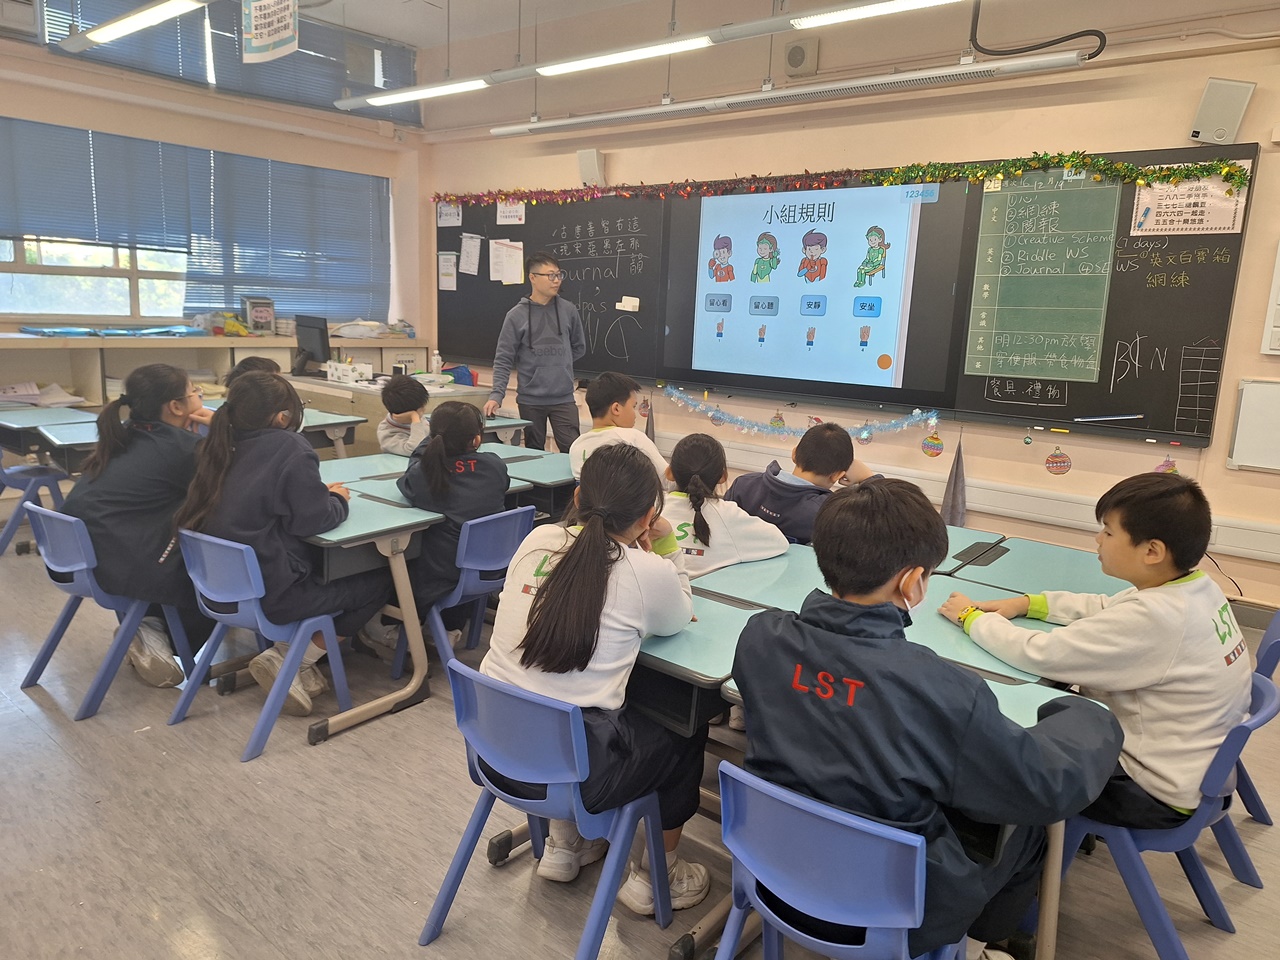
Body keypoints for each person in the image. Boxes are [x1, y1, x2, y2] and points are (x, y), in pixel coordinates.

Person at [735, 479, 1123, 959]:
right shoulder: (940, 688)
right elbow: (1047, 785)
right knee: (1027, 834)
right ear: (912, 581)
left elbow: (832, 699)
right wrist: (1086, 713)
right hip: (896, 910)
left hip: (771, 868)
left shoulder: (760, 637)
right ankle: (979, 945)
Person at [940, 473, 1253, 829]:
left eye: (1108, 532)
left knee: (1003, 755)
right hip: (1194, 768)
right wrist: (1028, 603)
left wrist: (971, 618)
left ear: (1152, 551)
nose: (1098, 539)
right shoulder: (1195, 588)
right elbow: (1107, 606)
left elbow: (1041, 653)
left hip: (1148, 788)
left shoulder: (1156, 617)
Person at [480, 444, 709, 913]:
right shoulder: (645, 570)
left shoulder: (536, 539)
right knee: (686, 732)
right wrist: (665, 548)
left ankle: (564, 845)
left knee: (558, 698)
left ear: (578, 496)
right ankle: (656, 877)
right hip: (582, 778)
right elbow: (681, 615)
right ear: (648, 517)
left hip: (494, 749)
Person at [173, 372, 392, 717]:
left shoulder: (217, 443)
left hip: (217, 592)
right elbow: (313, 521)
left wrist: (315, 495)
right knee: (379, 580)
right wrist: (337, 499)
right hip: (273, 597)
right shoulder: (290, 447)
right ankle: (294, 658)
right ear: (282, 416)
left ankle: (294, 654)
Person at [62, 363, 216, 687]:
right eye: (195, 392)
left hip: (75, 556)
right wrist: (220, 432)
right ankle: (156, 632)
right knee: (212, 562)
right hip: (118, 564)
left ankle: (148, 627)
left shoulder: (124, 431)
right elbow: (239, 487)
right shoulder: (183, 448)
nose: (199, 397)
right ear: (176, 407)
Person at [398, 401, 509, 643]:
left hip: (444, 575)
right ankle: (451, 628)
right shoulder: (495, 466)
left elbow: (408, 482)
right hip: (492, 568)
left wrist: (427, 443)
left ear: (433, 437)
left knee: (393, 565)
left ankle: (397, 632)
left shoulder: (426, 474)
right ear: (476, 439)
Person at [483, 251, 586, 452]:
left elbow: (578, 347)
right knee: (534, 451)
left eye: (559, 275)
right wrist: (497, 395)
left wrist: (559, 366)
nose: (556, 280)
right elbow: (503, 359)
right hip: (531, 399)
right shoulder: (516, 316)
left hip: (563, 398)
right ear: (533, 277)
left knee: (572, 450)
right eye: (550, 275)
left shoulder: (568, 310)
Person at [725, 421, 877, 545]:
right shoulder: (830, 510)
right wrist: (869, 477)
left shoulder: (744, 484)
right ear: (837, 475)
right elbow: (882, 516)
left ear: (794, 454)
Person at [661, 433, 787, 578]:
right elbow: (779, 542)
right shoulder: (729, 515)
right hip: (706, 592)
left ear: (669, 472)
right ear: (723, 476)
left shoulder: (653, 508)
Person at [567, 371, 667, 481]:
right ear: (616, 409)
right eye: (633, 407)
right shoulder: (633, 438)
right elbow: (668, 480)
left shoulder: (576, 446)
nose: (635, 415)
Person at [378, 374, 431, 456]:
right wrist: (415, 418)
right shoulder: (388, 433)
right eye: (421, 408)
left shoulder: (418, 418)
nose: (424, 410)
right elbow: (416, 450)